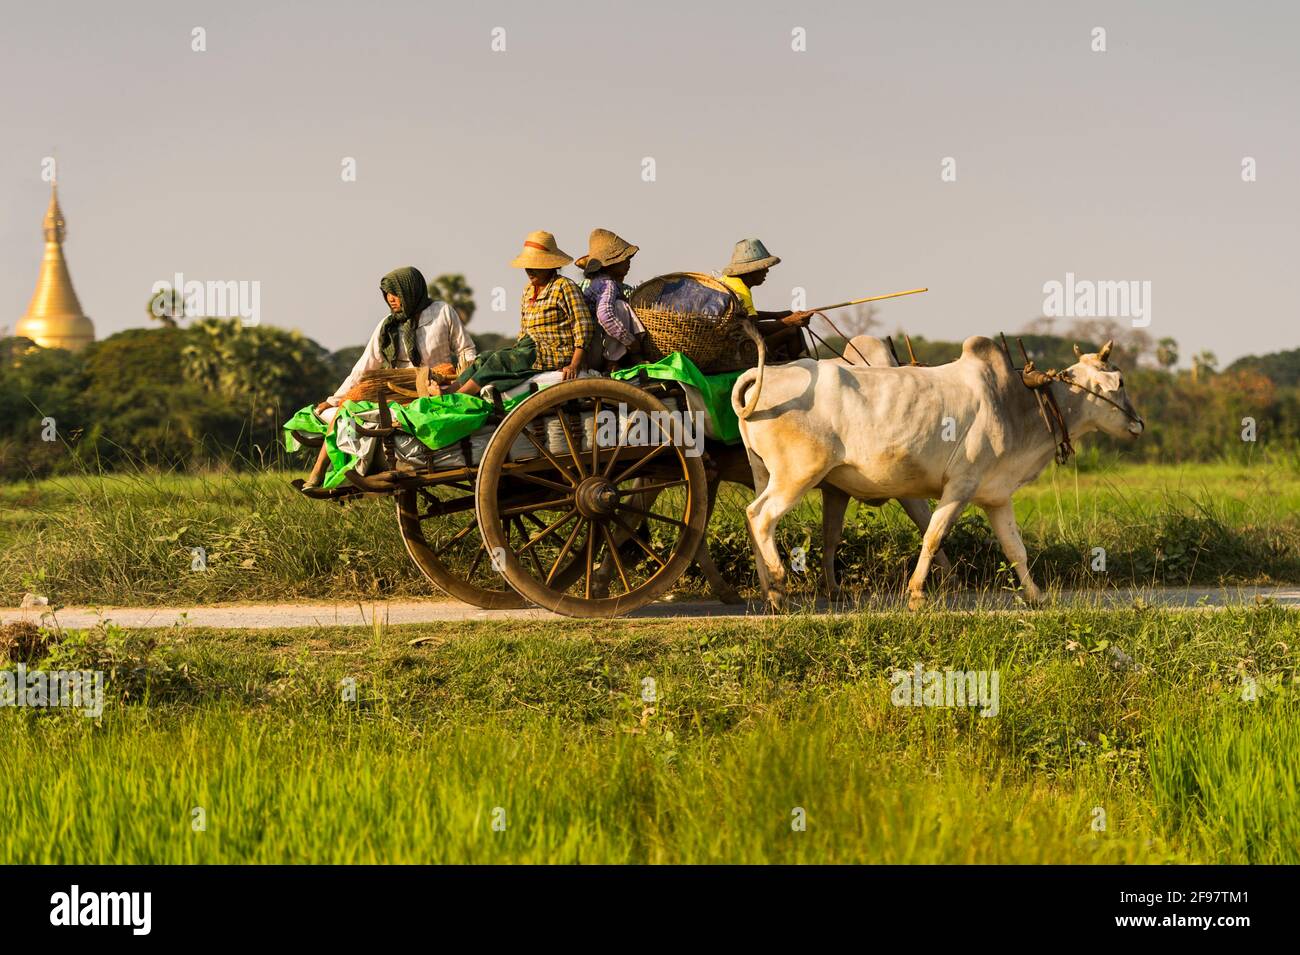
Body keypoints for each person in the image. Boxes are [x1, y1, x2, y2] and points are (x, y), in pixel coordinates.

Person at [302, 266, 474, 488]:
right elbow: (363, 368)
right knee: (346, 409)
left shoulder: (442, 312)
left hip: (435, 388)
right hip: (400, 388)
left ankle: (356, 471)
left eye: (395, 293)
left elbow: (467, 351)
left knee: (379, 416)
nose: (390, 299)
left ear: (411, 290)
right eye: (386, 295)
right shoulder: (388, 325)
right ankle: (318, 472)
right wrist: (334, 400)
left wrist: (457, 384)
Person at [455, 231, 596, 395]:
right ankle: (450, 391)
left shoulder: (564, 286)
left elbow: (583, 326)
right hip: (527, 349)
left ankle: (459, 396)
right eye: (528, 266)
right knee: (485, 357)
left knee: (497, 361)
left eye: (535, 266)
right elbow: (523, 332)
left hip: (554, 352)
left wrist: (574, 364)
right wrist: (514, 353)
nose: (529, 271)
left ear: (550, 265)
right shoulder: (528, 291)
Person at [718, 238, 816, 356]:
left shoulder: (727, 280)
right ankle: (801, 369)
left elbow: (744, 317)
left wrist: (776, 315)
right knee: (793, 331)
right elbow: (752, 328)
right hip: (741, 349)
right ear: (751, 271)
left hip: (729, 341)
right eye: (763, 267)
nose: (767, 271)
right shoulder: (741, 290)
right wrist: (789, 321)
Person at [575, 228, 643, 369]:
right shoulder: (607, 284)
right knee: (620, 306)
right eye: (624, 259)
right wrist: (630, 341)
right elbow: (605, 316)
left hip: (588, 349)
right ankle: (612, 361)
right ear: (610, 264)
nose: (628, 263)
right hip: (593, 350)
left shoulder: (598, 283)